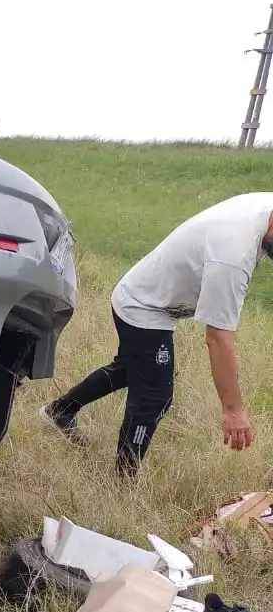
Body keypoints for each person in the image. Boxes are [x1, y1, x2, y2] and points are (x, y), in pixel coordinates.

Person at [41, 192, 272, 476]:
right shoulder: (233, 257)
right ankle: (123, 482)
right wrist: (233, 411)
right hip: (144, 307)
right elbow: (217, 339)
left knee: (130, 369)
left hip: (142, 294)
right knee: (154, 396)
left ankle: (60, 411)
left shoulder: (264, 207)